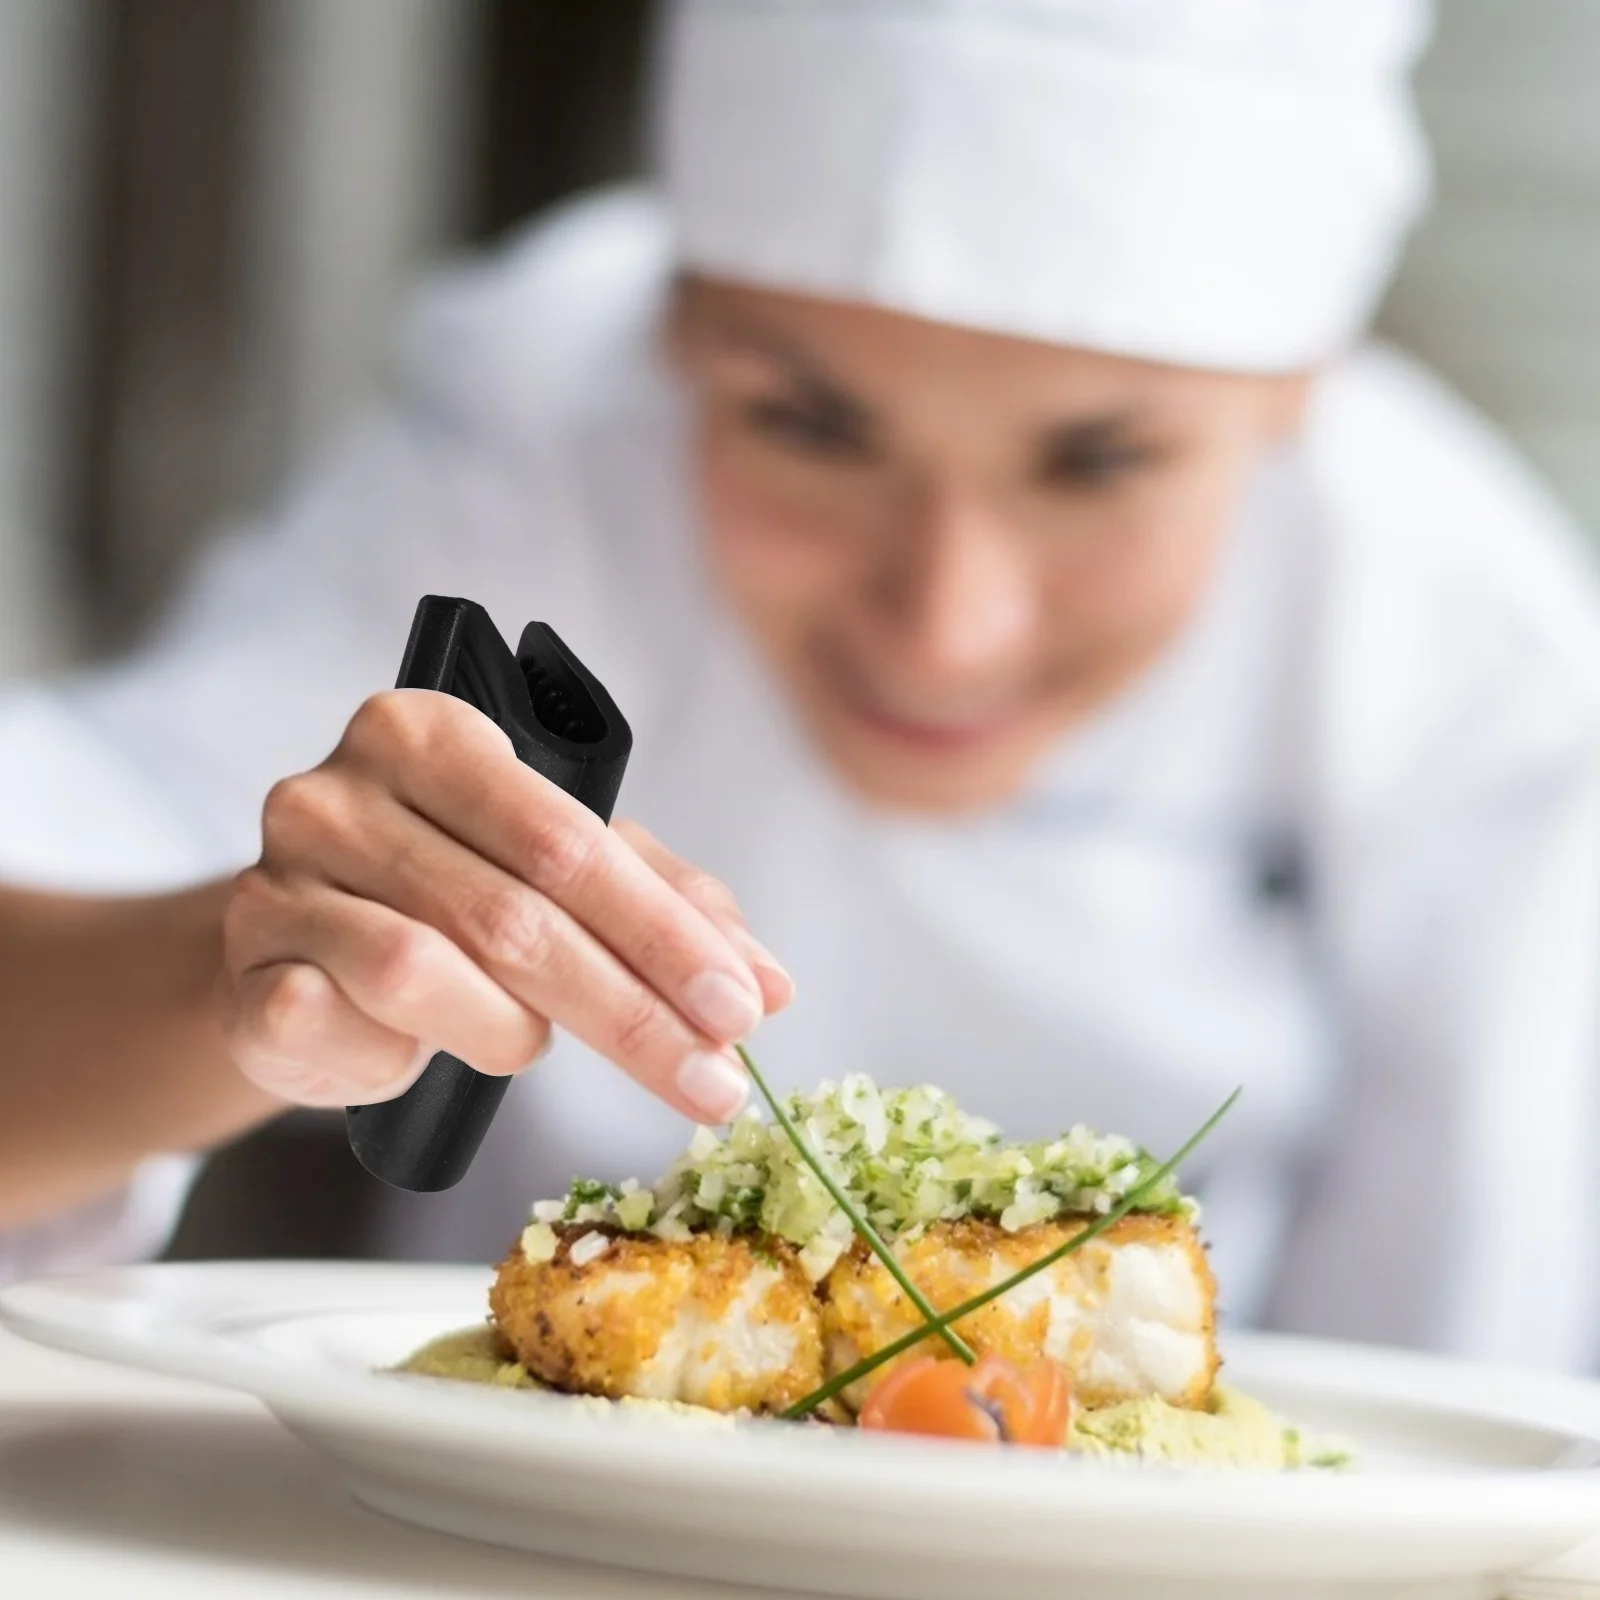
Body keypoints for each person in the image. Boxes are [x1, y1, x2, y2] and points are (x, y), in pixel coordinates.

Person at [2, 0, 1598, 1367]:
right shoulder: (542, 435)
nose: (947, 625)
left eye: (1101, 460)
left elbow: (1476, 1419)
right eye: (809, 426)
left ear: (1295, 399)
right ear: (679, 337)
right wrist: (252, 972)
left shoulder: (1466, 649)